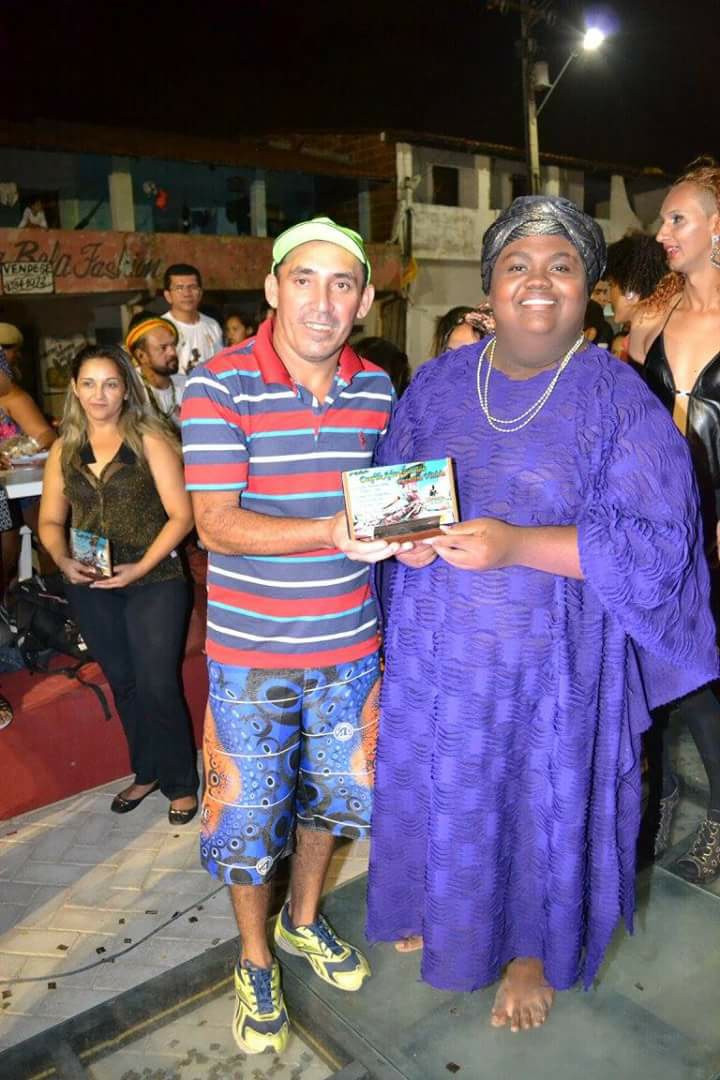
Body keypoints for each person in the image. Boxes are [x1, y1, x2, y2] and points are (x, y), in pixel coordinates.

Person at [365, 195, 718, 1033]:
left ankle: (531, 951)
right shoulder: (440, 383)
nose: (538, 280)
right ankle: (448, 911)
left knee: (536, 800)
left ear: (587, 288)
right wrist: (401, 543)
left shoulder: (618, 397)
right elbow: (392, 495)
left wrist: (519, 545)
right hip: (440, 652)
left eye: (562, 266)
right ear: (490, 286)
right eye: (517, 264)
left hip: (554, 665)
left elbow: (659, 546)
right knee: (448, 784)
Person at [182, 217, 399, 1055]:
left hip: (351, 652)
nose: (322, 301)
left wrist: (408, 532)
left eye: (342, 283)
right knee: (247, 824)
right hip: (251, 660)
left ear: (364, 300)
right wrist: (329, 531)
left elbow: (386, 502)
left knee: (329, 806)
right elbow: (215, 523)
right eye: (303, 279)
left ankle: (303, 920)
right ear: (273, 288)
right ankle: (254, 958)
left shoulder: (377, 390)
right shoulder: (219, 385)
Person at [38, 344, 199, 825]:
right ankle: (146, 771)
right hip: (89, 579)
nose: (99, 394)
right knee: (124, 682)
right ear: (74, 389)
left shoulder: (150, 439)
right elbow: (50, 521)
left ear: (126, 388)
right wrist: (62, 560)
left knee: (156, 682)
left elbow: (182, 515)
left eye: (110, 383)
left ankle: (180, 782)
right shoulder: (64, 449)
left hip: (156, 578)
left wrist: (142, 566)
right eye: (88, 383)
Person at [629, 158, 720, 880]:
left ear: (718, 227)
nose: (662, 231)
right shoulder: (650, 319)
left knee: (708, 680)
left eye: (677, 218)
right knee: (655, 674)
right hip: (659, 529)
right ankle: (648, 814)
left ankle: (717, 820)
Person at [0, 340, 57, 588]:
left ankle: (53, 591)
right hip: (6, 492)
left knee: (48, 536)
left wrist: (20, 450)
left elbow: (47, 436)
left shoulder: (14, 398)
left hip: (25, 483)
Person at [604, 233, 668, 362]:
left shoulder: (647, 341)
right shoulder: (664, 331)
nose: (609, 298)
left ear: (631, 288)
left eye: (611, 285)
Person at [162, 263, 223, 375]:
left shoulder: (212, 326)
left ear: (200, 293)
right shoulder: (160, 328)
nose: (187, 294)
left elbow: (220, 365)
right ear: (168, 295)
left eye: (192, 287)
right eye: (179, 288)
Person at [125, 313, 182, 431]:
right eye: (163, 348)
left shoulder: (188, 385)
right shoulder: (129, 390)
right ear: (141, 356)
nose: (172, 352)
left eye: (173, 345)